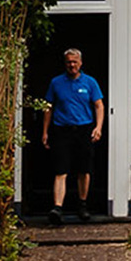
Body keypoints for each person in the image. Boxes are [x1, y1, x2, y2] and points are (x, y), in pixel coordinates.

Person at [40, 48, 104, 226]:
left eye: (75, 61)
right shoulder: (56, 83)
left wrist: (98, 127)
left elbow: (99, 105)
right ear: (64, 63)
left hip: (84, 129)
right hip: (62, 130)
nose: (72, 65)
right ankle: (57, 208)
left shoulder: (90, 82)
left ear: (81, 63)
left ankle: (82, 205)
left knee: (84, 170)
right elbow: (48, 107)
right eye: (69, 62)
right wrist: (45, 131)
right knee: (61, 170)